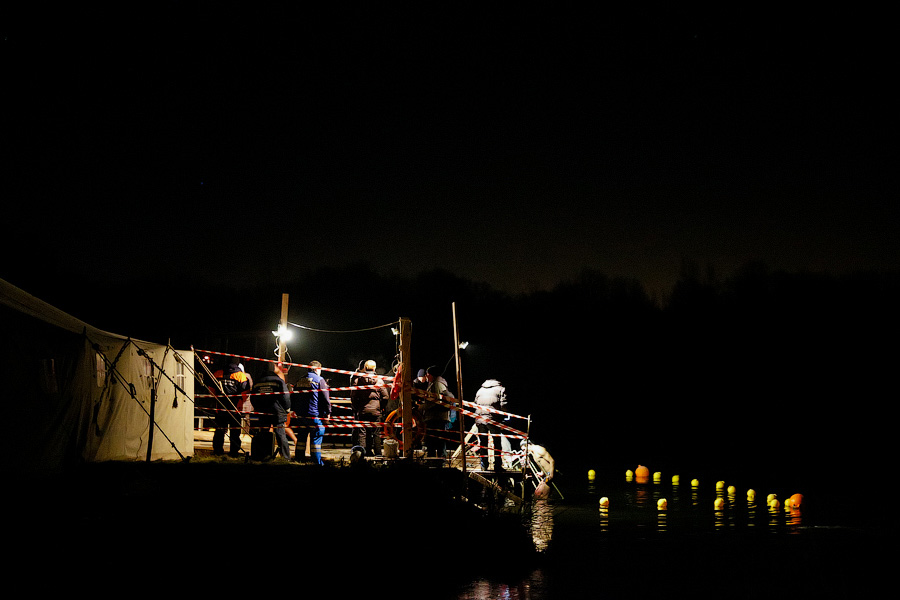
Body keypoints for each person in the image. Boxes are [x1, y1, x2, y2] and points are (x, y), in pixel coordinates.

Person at [292, 360, 331, 465]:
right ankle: (317, 462)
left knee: (301, 438)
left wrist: (294, 410)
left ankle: (299, 459)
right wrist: (328, 412)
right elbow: (325, 398)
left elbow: (293, 396)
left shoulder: (300, 380)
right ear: (318, 369)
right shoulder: (319, 380)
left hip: (300, 415)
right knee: (317, 436)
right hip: (313, 415)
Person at [251, 364, 292, 460]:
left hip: (263, 412)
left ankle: (264, 455)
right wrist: (286, 409)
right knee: (281, 435)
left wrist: (257, 408)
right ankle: (285, 458)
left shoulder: (258, 382)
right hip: (277, 412)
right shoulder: (278, 381)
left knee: (263, 434)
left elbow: (253, 397)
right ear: (274, 370)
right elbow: (285, 397)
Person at [212, 361, 252, 456]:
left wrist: (218, 399)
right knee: (235, 432)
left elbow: (211, 389)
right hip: (235, 409)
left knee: (219, 431)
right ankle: (234, 452)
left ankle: (218, 451)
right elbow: (246, 392)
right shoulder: (241, 376)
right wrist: (240, 401)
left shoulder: (217, 374)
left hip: (220, 408)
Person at [350, 360, 389, 457]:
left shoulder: (358, 380)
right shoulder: (379, 380)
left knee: (362, 434)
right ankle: (378, 454)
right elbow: (385, 396)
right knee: (376, 433)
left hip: (362, 410)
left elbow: (353, 396)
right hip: (375, 411)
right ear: (374, 368)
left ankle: (363, 454)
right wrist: (381, 407)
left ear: (365, 368)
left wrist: (357, 407)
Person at [474, 378, 509, 471]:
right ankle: (497, 465)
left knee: (483, 443)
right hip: (493, 420)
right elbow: (504, 406)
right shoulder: (501, 389)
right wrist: (503, 416)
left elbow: (475, 403)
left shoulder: (480, 390)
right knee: (497, 443)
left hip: (480, 419)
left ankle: (484, 465)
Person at [424, 365, 452, 459]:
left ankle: (438, 461)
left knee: (435, 441)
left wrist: (422, 407)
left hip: (437, 418)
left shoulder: (437, 384)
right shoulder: (436, 384)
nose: (426, 376)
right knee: (437, 441)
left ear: (431, 375)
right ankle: (437, 460)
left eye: (427, 374)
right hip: (437, 417)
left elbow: (435, 401)